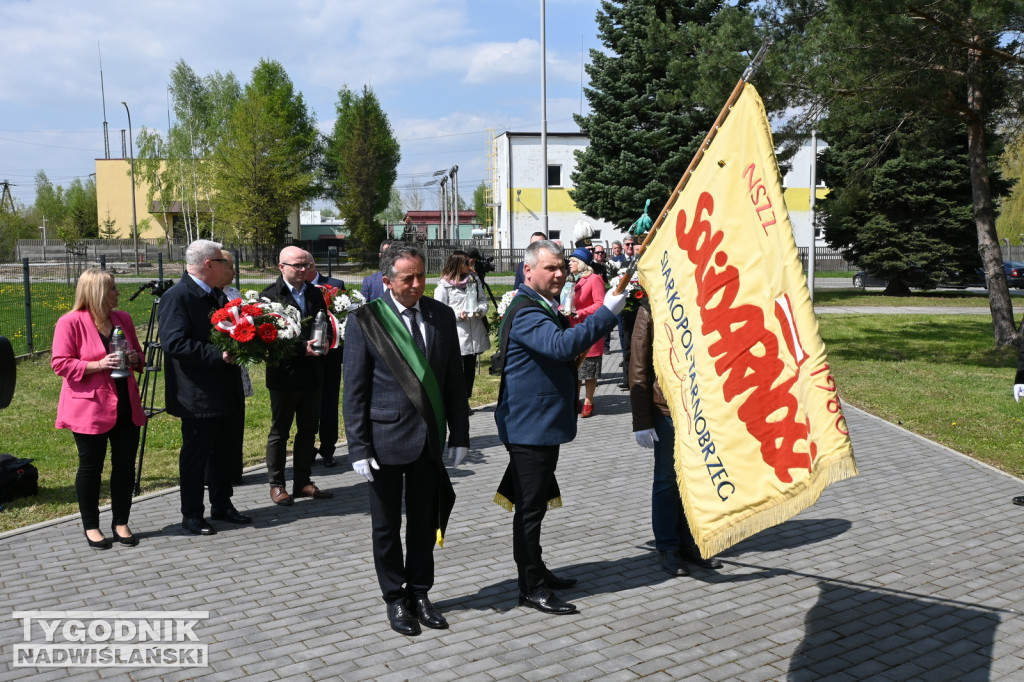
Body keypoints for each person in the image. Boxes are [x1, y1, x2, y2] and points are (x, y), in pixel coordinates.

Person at [343, 242, 470, 636]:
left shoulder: (441, 315)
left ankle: (420, 593)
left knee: (422, 524)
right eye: (407, 278)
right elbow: (355, 390)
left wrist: (461, 434)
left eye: (421, 276)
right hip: (383, 440)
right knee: (385, 527)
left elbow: (452, 382)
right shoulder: (366, 320)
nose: (417, 284)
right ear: (386, 281)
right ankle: (395, 600)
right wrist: (359, 447)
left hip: (428, 441)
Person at [495, 240, 627, 614]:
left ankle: (536, 570)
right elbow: (561, 346)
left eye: (561, 268)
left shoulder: (538, 304)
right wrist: (606, 312)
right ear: (528, 271)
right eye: (550, 268)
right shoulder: (526, 311)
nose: (558, 275)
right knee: (530, 509)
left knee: (533, 506)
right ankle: (531, 587)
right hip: (528, 428)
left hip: (539, 424)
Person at [158, 239, 250, 535]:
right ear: (209, 265)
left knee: (224, 452)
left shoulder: (216, 295)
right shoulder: (179, 296)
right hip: (197, 393)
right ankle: (192, 513)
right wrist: (218, 354)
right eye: (223, 262)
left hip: (225, 388)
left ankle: (222, 504)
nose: (228, 267)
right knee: (197, 455)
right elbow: (173, 343)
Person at [52, 268, 146, 549]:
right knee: (90, 468)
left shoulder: (123, 319)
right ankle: (91, 526)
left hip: (126, 404)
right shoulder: (70, 322)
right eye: (113, 288)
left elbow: (140, 357)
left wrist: (132, 357)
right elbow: (60, 363)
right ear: (98, 293)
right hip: (90, 409)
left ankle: (120, 522)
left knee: (124, 466)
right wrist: (97, 365)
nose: (118, 293)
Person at [629, 298, 723, 575]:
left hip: (700, 407)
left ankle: (689, 542)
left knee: (696, 479)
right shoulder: (650, 305)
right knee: (668, 479)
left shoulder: (701, 298)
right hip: (666, 408)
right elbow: (638, 365)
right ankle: (668, 546)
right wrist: (641, 420)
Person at [260, 246, 334, 507]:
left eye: (306, 265)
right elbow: (266, 340)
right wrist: (300, 348)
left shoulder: (315, 293)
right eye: (297, 266)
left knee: (308, 430)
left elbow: (322, 324)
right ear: (282, 267)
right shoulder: (270, 297)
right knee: (280, 432)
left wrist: (325, 343)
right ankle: (277, 485)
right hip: (285, 375)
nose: (304, 269)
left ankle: (303, 481)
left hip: (313, 374)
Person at [305, 251, 346, 468]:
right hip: (306, 358)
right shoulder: (298, 290)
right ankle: (308, 448)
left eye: (306, 265)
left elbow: (344, 318)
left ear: (312, 266)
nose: (303, 270)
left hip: (331, 356)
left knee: (329, 403)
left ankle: (328, 449)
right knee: (307, 406)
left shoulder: (335, 285)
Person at [434, 251, 490, 402]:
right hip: (457, 334)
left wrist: (481, 310)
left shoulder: (474, 280)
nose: (469, 265)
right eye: (466, 263)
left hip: (473, 331)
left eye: (469, 262)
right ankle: (457, 401)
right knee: (456, 371)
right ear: (457, 264)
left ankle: (466, 400)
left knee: (470, 369)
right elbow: (440, 311)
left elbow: (483, 300)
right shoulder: (443, 287)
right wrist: (460, 314)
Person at [217, 249, 252, 486]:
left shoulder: (234, 293)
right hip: (217, 363)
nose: (234, 271)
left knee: (237, 417)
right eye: (230, 266)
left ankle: (234, 470)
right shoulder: (207, 295)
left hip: (236, 363)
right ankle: (219, 471)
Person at [567, 247, 606, 418]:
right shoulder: (569, 280)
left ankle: (588, 401)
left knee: (589, 369)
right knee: (574, 369)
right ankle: (574, 400)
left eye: (573, 261)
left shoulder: (594, 279)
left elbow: (600, 303)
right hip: (571, 329)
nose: (569, 263)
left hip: (588, 329)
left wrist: (581, 313)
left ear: (581, 264)